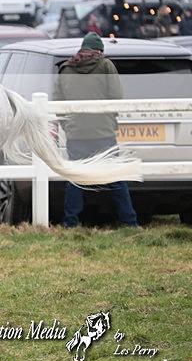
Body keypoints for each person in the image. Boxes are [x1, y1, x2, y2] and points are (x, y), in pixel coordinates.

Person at [53, 32, 138, 228]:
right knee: (115, 177)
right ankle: (129, 222)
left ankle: (71, 222)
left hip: (76, 134)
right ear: (99, 51)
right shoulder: (106, 65)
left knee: (76, 178)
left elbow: (58, 103)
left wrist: (69, 126)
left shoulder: (66, 69)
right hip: (103, 132)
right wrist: (109, 119)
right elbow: (116, 96)